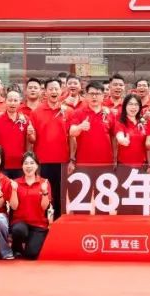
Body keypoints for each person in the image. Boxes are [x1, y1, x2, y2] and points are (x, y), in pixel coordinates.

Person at [30, 78, 70, 214]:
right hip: (43, 160)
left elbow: (72, 137)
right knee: (44, 192)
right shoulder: (36, 112)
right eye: (50, 89)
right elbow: (32, 139)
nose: (54, 91)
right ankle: (45, 220)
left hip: (63, 160)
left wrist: (72, 158)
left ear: (61, 91)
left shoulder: (68, 111)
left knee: (60, 194)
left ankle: (60, 220)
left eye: (56, 89)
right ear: (45, 92)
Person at [10, 152, 52, 259]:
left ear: (37, 165)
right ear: (22, 166)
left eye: (32, 163)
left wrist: (45, 192)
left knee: (31, 255)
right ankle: (16, 247)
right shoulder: (15, 183)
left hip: (39, 224)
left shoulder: (44, 182)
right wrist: (13, 190)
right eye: (26, 163)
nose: (29, 166)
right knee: (19, 230)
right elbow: (14, 207)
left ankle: (31, 241)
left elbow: (44, 207)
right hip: (20, 222)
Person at [68, 82, 114, 167]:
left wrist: (115, 158)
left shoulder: (109, 113)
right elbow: (72, 132)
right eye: (91, 94)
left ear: (103, 96)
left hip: (106, 162)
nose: (94, 97)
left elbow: (114, 137)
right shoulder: (78, 112)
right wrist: (80, 127)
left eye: (98, 94)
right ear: (86, 95)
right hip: (84, 162)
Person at [114, 93, 149, 168]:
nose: (133, 107)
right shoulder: (120, 123)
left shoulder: (143, 123)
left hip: (142, 165)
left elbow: (147, 147)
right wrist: (122, 140)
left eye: (136, 104)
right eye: (130, 104)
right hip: (124, 166)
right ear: (125, 106)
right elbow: (119, 135)